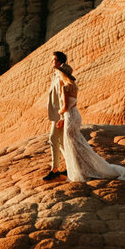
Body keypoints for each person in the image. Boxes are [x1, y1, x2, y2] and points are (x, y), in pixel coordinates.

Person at [48, 54, 125, 185]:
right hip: (75, 115)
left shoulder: (65, 87)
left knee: (73, 144)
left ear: (63, 73)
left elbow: (65, 106)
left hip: (69, 116)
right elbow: (74, 104)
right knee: (78, 143)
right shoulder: (73, 86)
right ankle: (82, 167)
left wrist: (60, 114)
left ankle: (78, 171)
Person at [43, 51, 69, 180]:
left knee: (54, 139)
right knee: (60, 141)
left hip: (60, 114)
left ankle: (55, 169)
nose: (51, 62)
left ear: (59, 62)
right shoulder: (56, 74)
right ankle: (68, 167)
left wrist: (62, 117)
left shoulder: (61, 76)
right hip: (57, 114)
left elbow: (63, 97)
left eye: (53, 60)